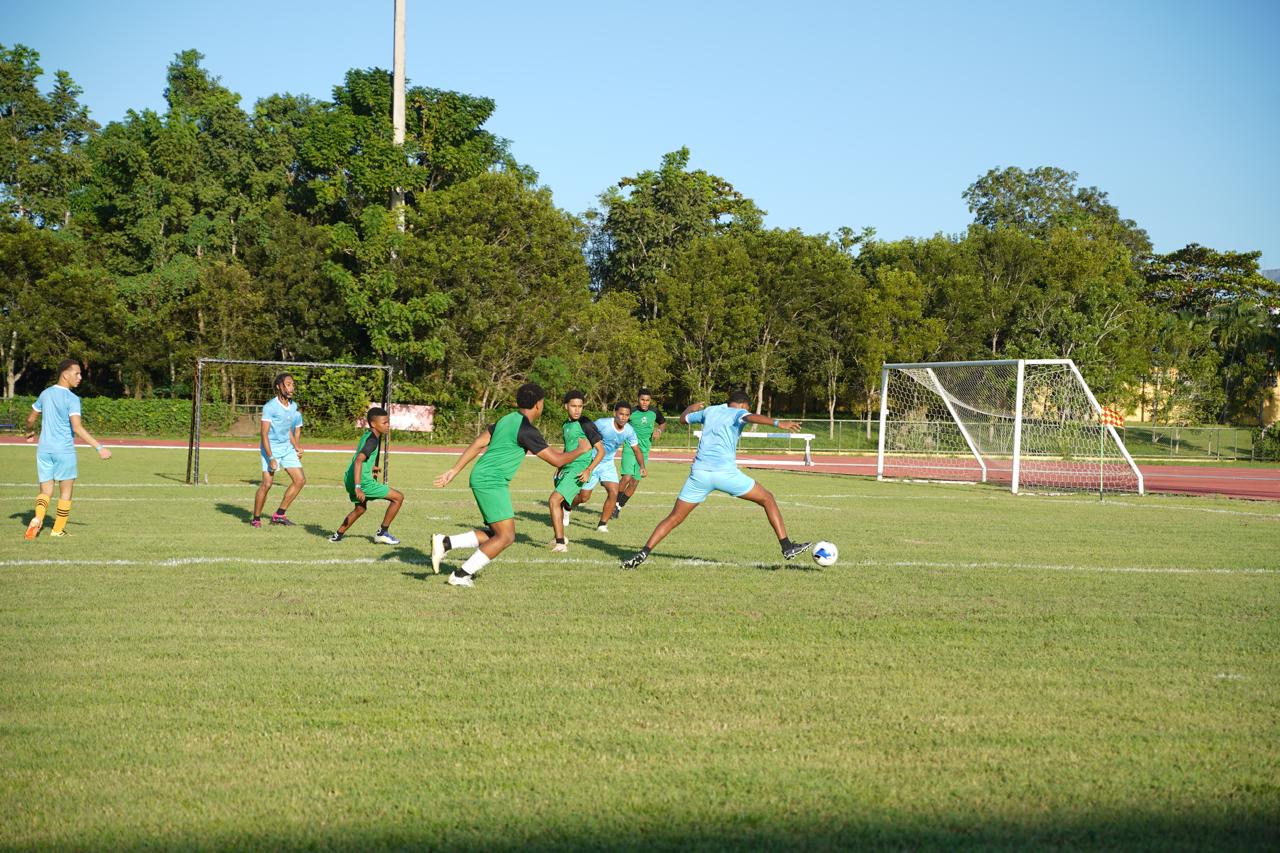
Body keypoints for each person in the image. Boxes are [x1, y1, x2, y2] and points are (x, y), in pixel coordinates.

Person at [620, 391, 810, 569]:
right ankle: (786, 546)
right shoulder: (739, 412)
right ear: (743, 404)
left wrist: (691, 408)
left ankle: (643, 553)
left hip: (699, 475)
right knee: (767, 499)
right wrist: (778, 423)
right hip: (725, 474)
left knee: (674, 517)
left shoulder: (710, 411)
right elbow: (750, 417)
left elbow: (682, 419)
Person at [431, 383, 591, 587]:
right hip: (491, 481)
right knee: (506, 536)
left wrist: (455, 470)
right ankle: (461, 575)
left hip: (486, 478)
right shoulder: (526, 430)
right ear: (538, 405)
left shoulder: (507, 419)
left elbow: (479, 442)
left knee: (498, 533)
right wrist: (581, 450)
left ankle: (446, 543)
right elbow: (558, 460)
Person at [23, 358, 112, 539]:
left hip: (44, 450)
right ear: (65, 374)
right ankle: (57, 530)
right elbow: (77, 428)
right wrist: (99, 447)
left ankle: (37, 518)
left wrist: (29, 432)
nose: (80, 377)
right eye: (77, 373)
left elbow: (31, 419)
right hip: (63, 450)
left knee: (45, 491)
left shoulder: (45, 393)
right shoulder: (72, 398)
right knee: (65, 492)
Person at [329, 407, 404, 544]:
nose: (388, 425)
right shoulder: (373, 440)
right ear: (373, 424)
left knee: (360, 509)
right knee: (398, 498)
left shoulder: (367, 435)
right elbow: (359, 460)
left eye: (388, 422)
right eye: (384, 423)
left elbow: (362, 458)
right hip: (362, 482)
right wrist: (358, 487)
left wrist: (371, 467)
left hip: (350, 479)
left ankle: (337, 535)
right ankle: (382, 532)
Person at [547, 390, 605, 552]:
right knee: (557, 503)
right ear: (566, 406)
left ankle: (560, 543)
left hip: (579, 470)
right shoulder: (565, 424)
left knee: (553, 500)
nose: (577, 410)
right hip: (566, 468)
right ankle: (561, 537)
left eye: (580, 406)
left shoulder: (585, 423)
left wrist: (588, 470)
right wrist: (559, 466)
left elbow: (601, 451)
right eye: (573, 406)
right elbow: (568, 448)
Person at [251, 372, 306, 528]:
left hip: (287, 448)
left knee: (300, 480)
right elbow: (264, 434)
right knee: (267, 484)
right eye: (288, 384)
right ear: (279, 386)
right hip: (271, 448)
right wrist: (271, 457)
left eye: (292, 384)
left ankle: (279, 514)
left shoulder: (293, 406)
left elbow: (287, 430)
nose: (291, 387)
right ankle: (256, 518)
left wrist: (296, 447)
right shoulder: (270, 407)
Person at [581, 401, 645, 532]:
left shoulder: (629, 430)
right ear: (615, 413)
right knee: (584, 497)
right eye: (621, 414)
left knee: (614, 492)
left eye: (626, 415)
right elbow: (585, 432)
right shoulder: (602, 423)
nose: (623, 417)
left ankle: (602, 524)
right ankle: (567, 508)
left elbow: (637, 450)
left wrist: (642, 466)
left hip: (608, 463)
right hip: (592, 461)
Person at [614, 387, 665, 518]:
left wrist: (658, 431)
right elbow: (619, 423)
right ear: (638, 399)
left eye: (647, 400)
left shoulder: (654, 411)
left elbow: (663, 423)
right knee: (626, 477)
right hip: (630, 448)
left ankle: (618, 506)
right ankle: (613, 503)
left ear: (650, 401)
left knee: (635, 481)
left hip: (644, 450)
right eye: (642, 399)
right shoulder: (632, 412)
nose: (645, 402)